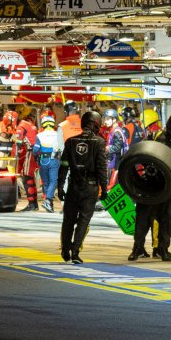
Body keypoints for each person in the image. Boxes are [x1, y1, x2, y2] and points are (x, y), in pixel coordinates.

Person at [56, 111, 107, 264]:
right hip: (90, 188)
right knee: (83, 221)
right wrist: (104, 188)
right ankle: (75, 251)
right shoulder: (99, 142)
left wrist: (60, 186)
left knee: (68, 220)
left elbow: (63, 165)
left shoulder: (70, 141)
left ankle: (65, 249)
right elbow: (101, 167)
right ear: (96, 124)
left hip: (73, 186)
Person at [130, 121, 171, 262]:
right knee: (143, 218)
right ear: (170, 125)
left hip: (168, 187)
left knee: (166, 219)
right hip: (150, 185)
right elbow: (141, 153)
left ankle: (163, 250)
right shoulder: (156, 135)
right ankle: (137, 248)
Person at [36, 112, 62, 212]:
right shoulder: (57, 134)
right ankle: (48, 200)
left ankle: (49, 204)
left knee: (46, 182)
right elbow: (61, 148)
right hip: (54, 160)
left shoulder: (39, 135)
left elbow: (35, 150)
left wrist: (36, 158)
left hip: (43, 160)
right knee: (53, 181)